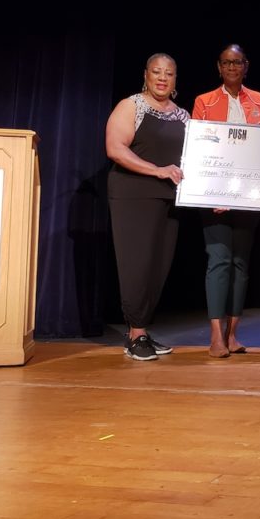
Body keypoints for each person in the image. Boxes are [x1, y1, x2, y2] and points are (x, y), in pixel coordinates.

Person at [105, 53, 189, 361]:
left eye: (169, 73)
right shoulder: (132, 106)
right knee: (137, 266)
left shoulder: (182, 115)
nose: (163, 78)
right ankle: (134, 335)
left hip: (169, 200)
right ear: (146, 74)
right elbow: (115, 149)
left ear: (175, 79)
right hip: (133, 196)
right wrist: (157, 170)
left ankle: (142, 329)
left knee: (158, 267)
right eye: (157, 72)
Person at [192, 44, 260, 358]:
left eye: (238, 62)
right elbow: (199, 149)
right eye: (227, 62)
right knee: (220, 260)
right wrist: (215, 192)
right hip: (214, 198)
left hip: (248, 198)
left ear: (246, 66)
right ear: (219, 67)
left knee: (240, 264)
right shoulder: (204, 102)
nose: (233, 67)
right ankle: (215, 336)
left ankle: (233, 334)